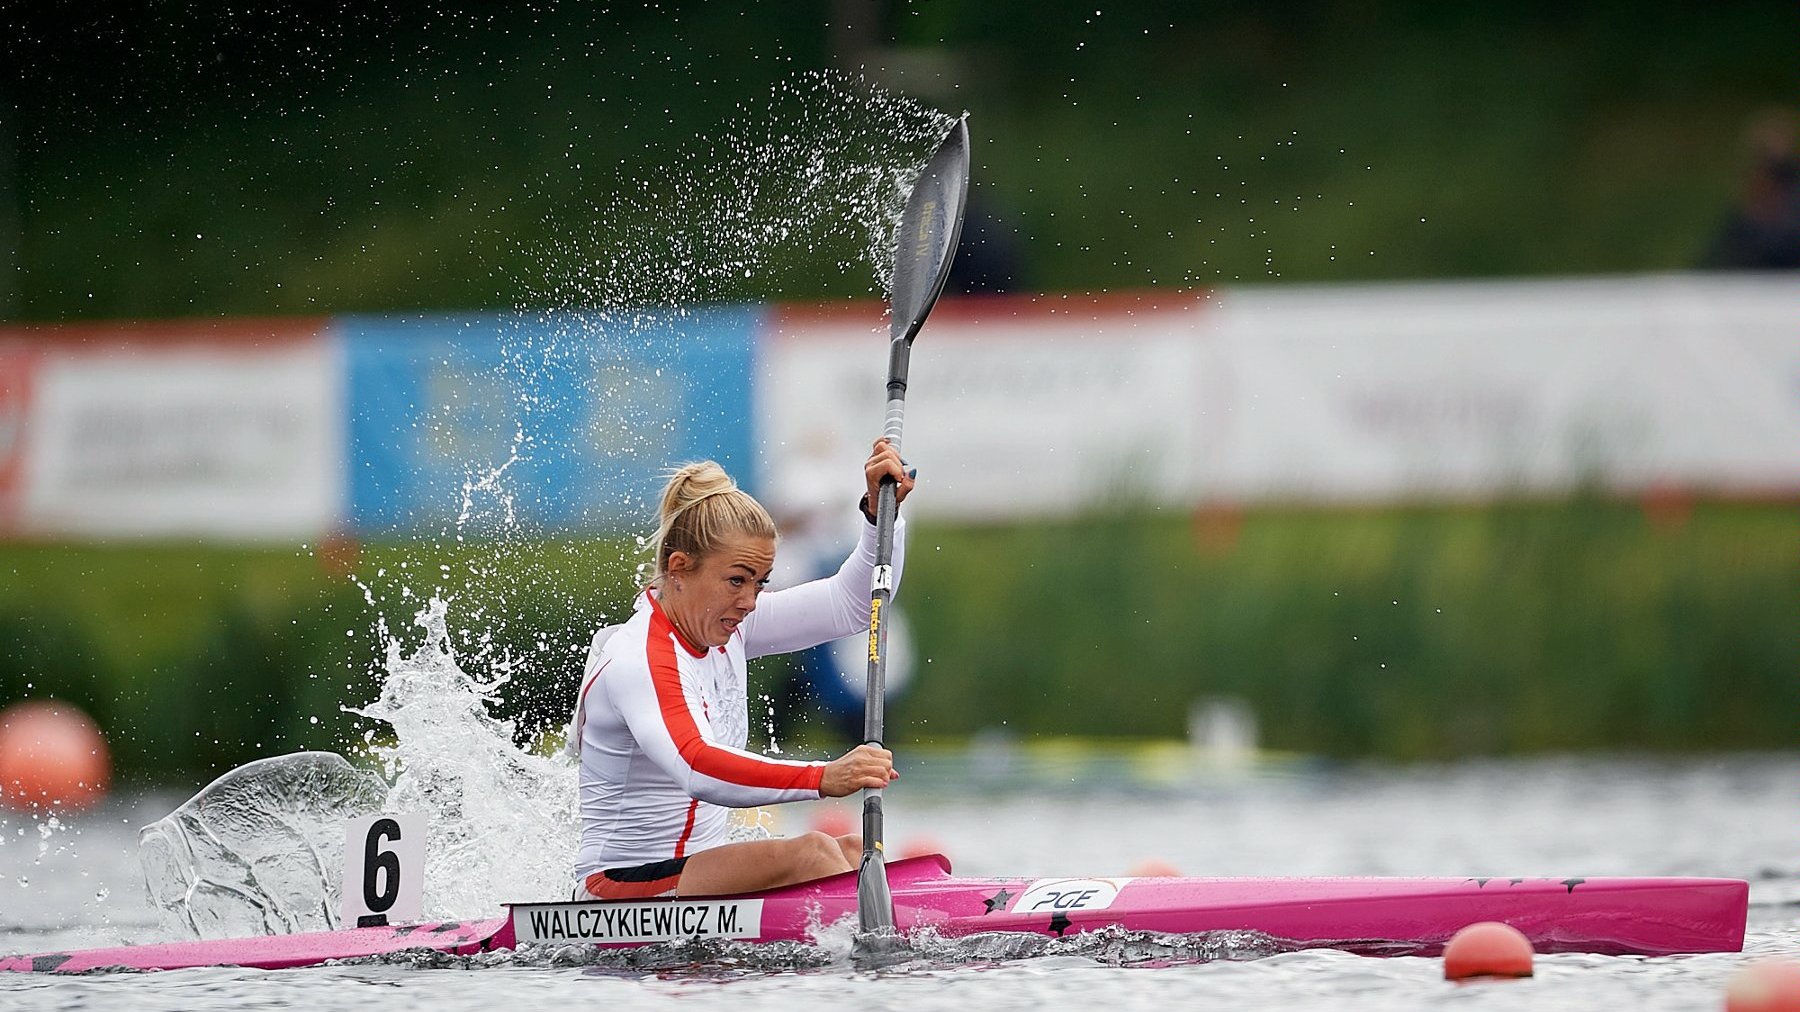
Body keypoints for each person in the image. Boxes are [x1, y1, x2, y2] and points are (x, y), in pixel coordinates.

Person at [566, 438, 915, 900]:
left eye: (760, 583)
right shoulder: (639, 657)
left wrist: (879, 516)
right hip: (618, 890)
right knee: (813, 853)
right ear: (678, 568)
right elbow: (698, 764)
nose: (750, 602)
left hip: (689, 879)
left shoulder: (729, 624)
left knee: (852, 850)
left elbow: (851, 606)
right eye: (737, 580)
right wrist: (821, 777)